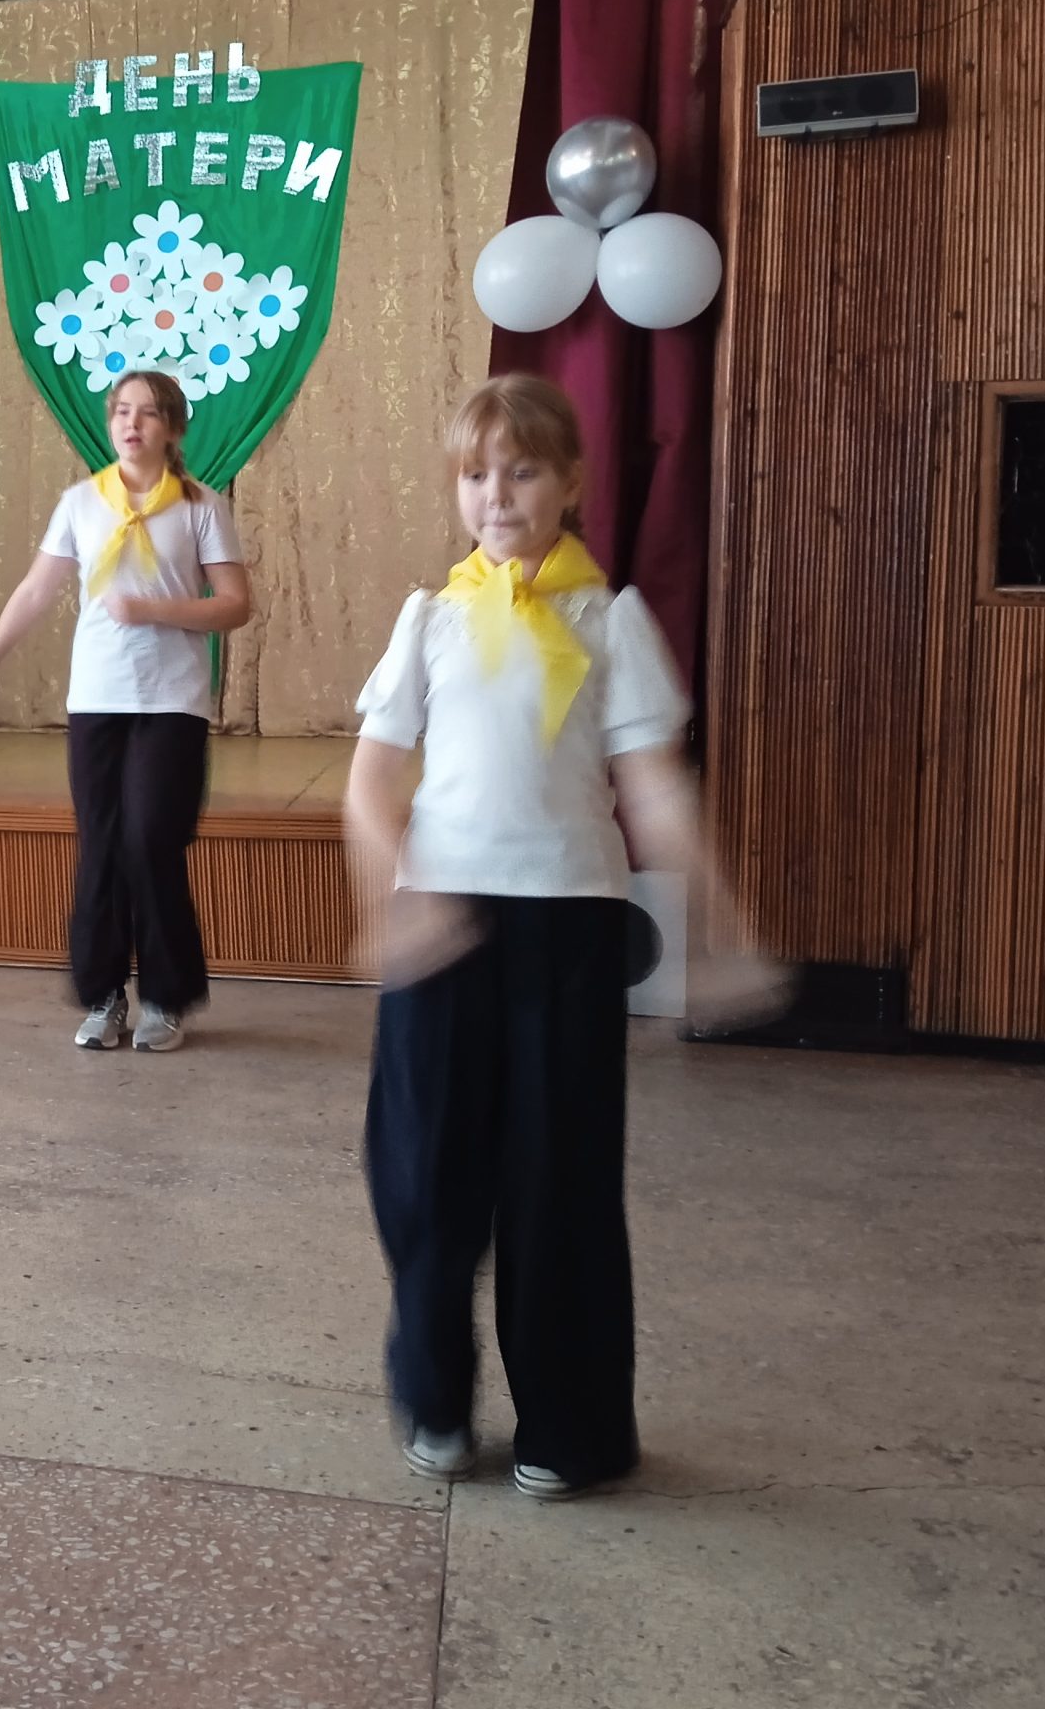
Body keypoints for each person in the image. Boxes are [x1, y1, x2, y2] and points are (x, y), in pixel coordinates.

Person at [343, 372, 783, 1500]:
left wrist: (713, 925)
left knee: (559, 1182)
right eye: (475, 474)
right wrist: (394, 900)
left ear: (572, 482)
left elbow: (655, 787)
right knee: (422, 1176)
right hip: (444, 929)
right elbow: (370, 783)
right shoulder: (430, 618)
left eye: (523, 470)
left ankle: (569, 1426)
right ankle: (433, 1398)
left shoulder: (611, 620)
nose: (497, 494)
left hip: (567, 930)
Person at [0, 368, 253, 1053]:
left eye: (147, 413)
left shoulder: (202, 506)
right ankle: (103, 995)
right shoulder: (81, 503)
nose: (131, 423)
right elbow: (36, 590)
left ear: (172, 428)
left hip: (172, 701)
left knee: (151, 840)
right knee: (101, 844)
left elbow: (236, 605)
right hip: (96, 698)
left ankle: (166, 998)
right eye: (121, 411)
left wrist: (152, 610)